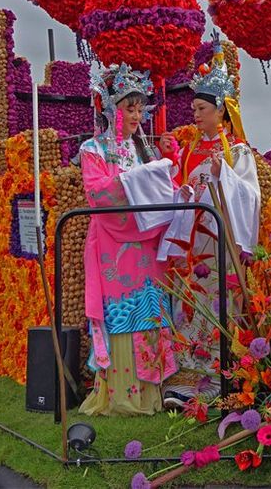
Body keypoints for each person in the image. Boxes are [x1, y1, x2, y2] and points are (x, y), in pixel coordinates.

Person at [157, 39, 261, 406]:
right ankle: (189, 373)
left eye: (201, 108)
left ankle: (219, 375)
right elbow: (181, 190)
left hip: (219, 244)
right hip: (192, 246)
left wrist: (224, 177)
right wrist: (181, 186)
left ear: (222, 111)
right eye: (194, 108)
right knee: (189, 308)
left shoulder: (238, 152)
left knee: (218, 307)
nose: (195, 115)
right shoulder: (189, 150)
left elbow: (250, 196)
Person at [77, 63, 179, 417]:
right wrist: (135, 179)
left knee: (151, 310)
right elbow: (96, 194)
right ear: (110, 109)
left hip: (146, 242)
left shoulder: (144, 150)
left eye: (139, 108)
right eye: (128, 108)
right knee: (123, 313)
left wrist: (169, 164)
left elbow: (161, 189)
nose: (136, 115)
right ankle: (124, 395)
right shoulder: (93, 149)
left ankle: (156, 393)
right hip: (112, 242)